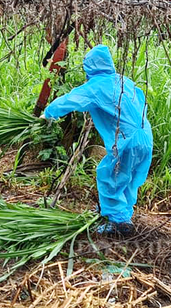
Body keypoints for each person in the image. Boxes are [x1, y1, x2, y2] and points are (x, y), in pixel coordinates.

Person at [42, 45, 153, 236]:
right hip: (145, 136)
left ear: (90, 67)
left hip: (126, 141)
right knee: (126, 177)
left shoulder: (96, 87)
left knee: (109, 176)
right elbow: (141, 100)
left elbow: (71, 99)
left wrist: (48, 113)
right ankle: (120, 214)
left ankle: (118, 223)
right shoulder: (123, 80)